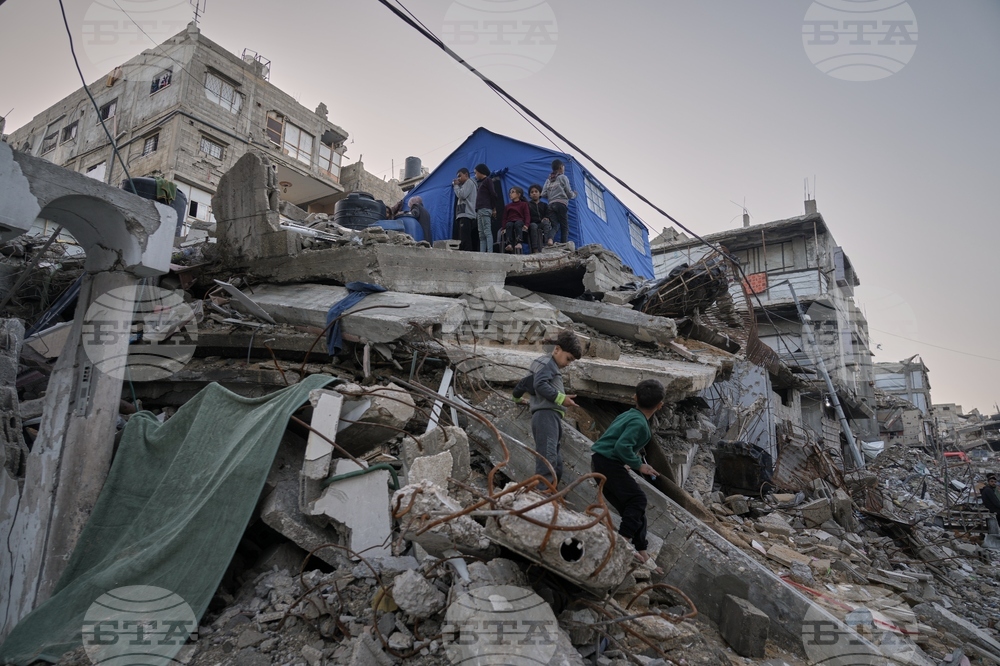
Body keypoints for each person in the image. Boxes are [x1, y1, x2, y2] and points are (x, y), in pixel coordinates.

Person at [590, 379, 666, 570]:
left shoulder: (628, 415)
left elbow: (613, 440)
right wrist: (638, 465)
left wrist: (625, 463)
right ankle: (622, 542)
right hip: (608, 464)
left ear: (635, 398)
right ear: (660, 405)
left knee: (633, 507)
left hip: (601, 461)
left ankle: (642, 551)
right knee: (638, 500)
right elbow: (622, 446)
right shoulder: (640, 424)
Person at [511, 330, 584, 487]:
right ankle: (542, 494)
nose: (567, 363)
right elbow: (539, 384)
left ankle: (551, 492)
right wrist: (561, 398)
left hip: (551, 418)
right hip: (546, 416)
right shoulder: (548, 364)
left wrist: (517, 398)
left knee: (555, 461)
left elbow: (524, 383)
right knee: (548, 458)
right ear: (556, 349)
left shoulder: (540, 363)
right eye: (568, 359)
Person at [540, 158, 576, 245]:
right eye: (563, 167)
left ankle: (550, 239)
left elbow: (543, 193)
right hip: (561, 204)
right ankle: (563, 244)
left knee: (555, 225)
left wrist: (552, 193)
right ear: (560, 167)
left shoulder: (548, 180)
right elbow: (568, 192)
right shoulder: (563, 177)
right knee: (564, 226)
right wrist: (574, 195)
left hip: (551, 204)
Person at [474, 163, 498, 253]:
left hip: (485, 208)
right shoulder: (481, 183)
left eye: (476, 173)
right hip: (479, 209)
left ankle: (489, 252)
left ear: (481, 172)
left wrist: (494, 208)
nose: (475, 175)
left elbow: (493, 194)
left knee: (487, 231)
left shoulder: (488, 181)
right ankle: (482, 252)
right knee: (481, 233)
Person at [452, 168, 477, 251]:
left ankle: (467, 254)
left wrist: (456, 186)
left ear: (466, 175)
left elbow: (462, 195)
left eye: (459, 176)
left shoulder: (469, 182)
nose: (458, 179)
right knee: (464, 238)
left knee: (465, 238)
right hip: (464, 214)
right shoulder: (465, 185)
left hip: (466, 214)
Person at [501, 186, 530, 253]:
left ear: (518, 194)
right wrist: (503, 228)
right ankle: (509, 244)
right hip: (510, 221)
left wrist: (526, 224)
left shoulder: (524, 204)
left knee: (518, 223)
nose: (510, 194)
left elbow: (527, 215)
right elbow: (504, 218)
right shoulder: (508, 206)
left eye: (513, 192)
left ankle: (519, 242)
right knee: (509, 224)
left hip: (519, 221)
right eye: (510, 192)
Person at [526, 183, 550, 254]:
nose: (534, 193)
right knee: (533, 226)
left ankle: (547, 245)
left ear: (540, 194)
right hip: (532, 223)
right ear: (530, 195)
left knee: (546, 223)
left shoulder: (544, 205)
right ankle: (535, 248)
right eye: (532, 192)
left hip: (541, 223)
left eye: (536, 191)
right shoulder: (528, 205)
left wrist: (546, 217)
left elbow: (548, 213)